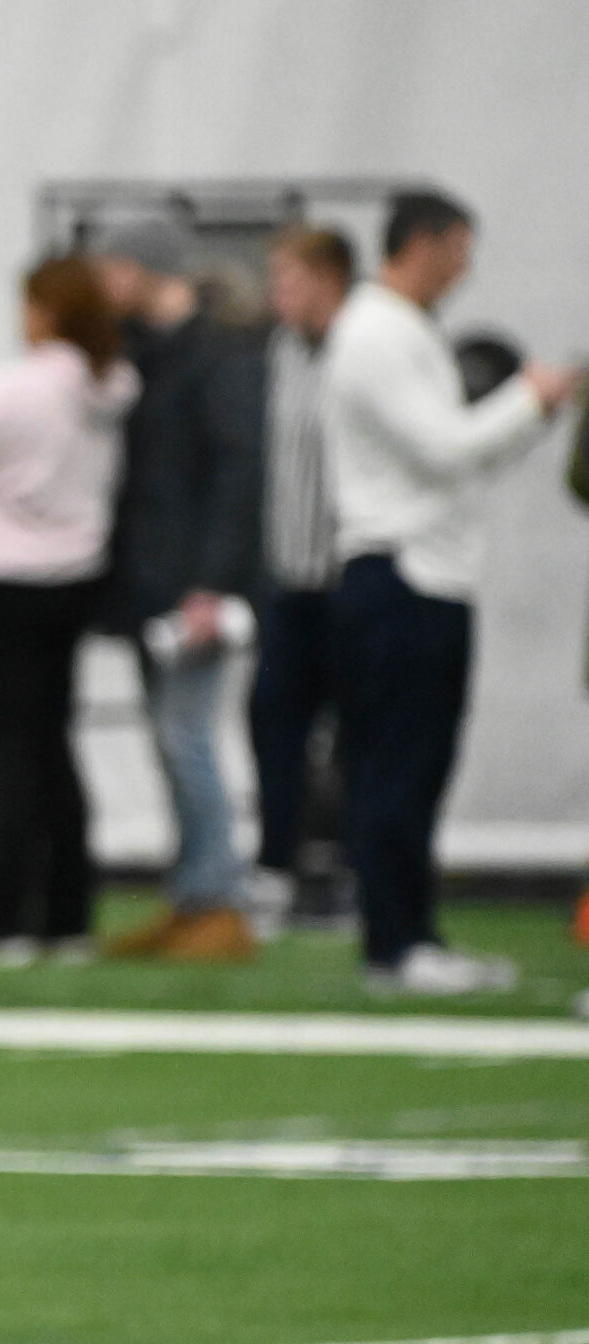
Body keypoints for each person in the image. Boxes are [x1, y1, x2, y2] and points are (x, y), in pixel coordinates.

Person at [322, 189, 577, 995]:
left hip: (425, 569)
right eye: (461, 247)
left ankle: (409, 936)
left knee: (417, 766)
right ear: (423, 244)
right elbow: (445, 451)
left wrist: (523, 416)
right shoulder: (377, 332)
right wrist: (529, 399)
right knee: (398, 766)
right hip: (401, 571)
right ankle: (396, 945)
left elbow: (455, 461)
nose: (467, 267)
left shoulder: (402, 331)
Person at [0, 255, 139, 964]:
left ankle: (2, 918)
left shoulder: (12, 389)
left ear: (45, 311)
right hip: (72, 582)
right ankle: (68, 913)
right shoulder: (109, 386)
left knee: (5, 756)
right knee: (53, 749)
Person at [86, 213, 266, 963]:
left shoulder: (220, 355)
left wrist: (212, 584)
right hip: (146, 581)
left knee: (187, 736)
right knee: (168, 740)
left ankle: (220, 900)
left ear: (143, 268)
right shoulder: (143, 356)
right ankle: (191, 896)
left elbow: (237, 473)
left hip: (191, 588)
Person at [246, 225, 358, 939]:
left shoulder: (365, 347)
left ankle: (348, 872)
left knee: (359, 740)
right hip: (290, 580)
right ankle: (275, 870)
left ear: (327, 278)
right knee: (273, 727)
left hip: (353, 576)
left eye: (288, 279)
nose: (277, 294)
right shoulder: (280, 352)